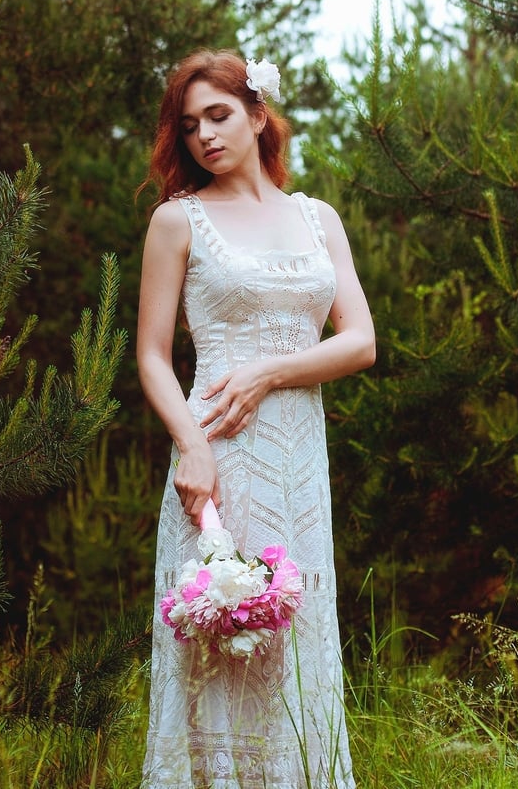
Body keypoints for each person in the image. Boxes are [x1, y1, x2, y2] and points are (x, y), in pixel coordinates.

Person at [136, 48, 375, 789]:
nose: (204, 135)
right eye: (190, 125)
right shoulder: (178, 221)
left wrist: (272, 370)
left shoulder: (317, 218)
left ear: (258, 115)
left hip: (299, 456)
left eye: (219, 115)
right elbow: (150, 355)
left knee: (291, 635)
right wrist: (191, 449)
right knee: (219, 637)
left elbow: (360, 341)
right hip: (219, 453)